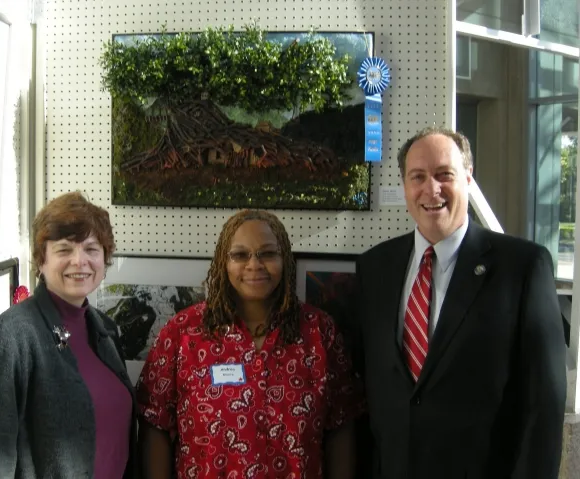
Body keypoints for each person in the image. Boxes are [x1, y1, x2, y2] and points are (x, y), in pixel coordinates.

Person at [352, 126, 567, 479]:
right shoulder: (375, 268)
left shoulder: (523, 267)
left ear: (468, 179)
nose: (430, 189)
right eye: (417, 176)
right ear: (405, 186)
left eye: (444, 175)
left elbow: (544, 405)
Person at [136, 209, 362, 478]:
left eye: (267, 253)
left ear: (285, 259)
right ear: (223, 262)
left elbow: (341, 425)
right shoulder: (183, 333)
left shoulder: (319, 332)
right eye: (240, 255)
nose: (254, 265)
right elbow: (155, 425)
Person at [0, 192, 139, 479]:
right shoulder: (12, 337)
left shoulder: (105, 330)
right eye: (64, 249)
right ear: (40, 260)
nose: (79, 261)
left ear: (105, 259)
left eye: (91, 249)